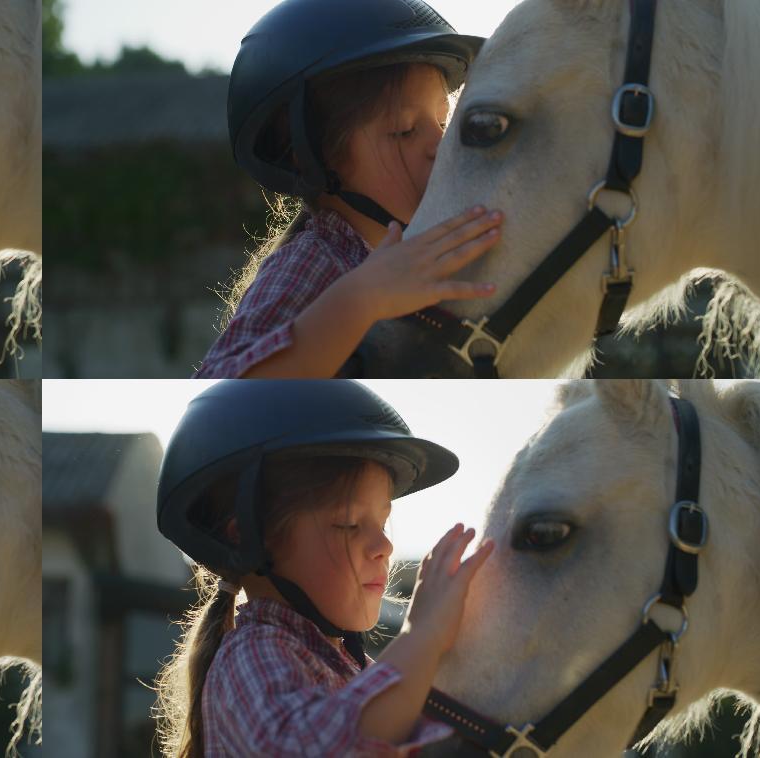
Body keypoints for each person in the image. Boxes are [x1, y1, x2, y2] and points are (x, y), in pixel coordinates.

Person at [154, 380, 494, 756]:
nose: (385, 546)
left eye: (381, 524)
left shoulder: (349, 664)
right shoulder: (252, 655)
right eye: (349, 525)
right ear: (249, 540)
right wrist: (424, 635)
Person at [197, 0, 504, 378]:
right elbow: (219, 384)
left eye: (442, 121)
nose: (439, 146)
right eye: (404, 131)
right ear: (312, 157)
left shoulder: (407, 260)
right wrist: (363, 299)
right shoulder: (315, 261)